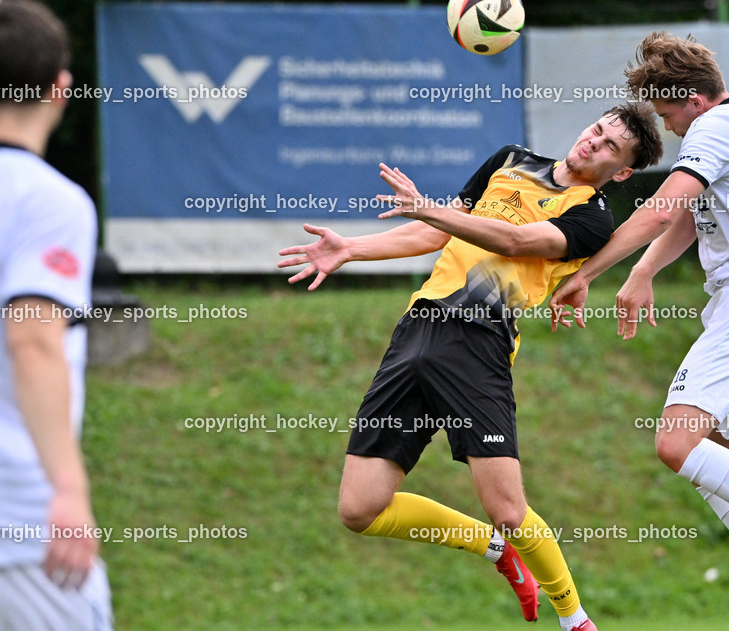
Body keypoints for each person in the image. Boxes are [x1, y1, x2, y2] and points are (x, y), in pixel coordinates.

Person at [279, 104, 663, 631]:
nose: (594, 142)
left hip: (479, 341)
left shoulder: (592, 218)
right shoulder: (510, 159)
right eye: (597, 130)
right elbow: (439, 236)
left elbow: (513, 241)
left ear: (622, 172)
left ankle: (575, 619)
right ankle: (493, 549)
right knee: (359, 509)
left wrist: (427, 208)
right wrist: (352, 249)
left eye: (611, 147)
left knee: (508, 508)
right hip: (417, 330)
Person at [549, 31, 729, 631]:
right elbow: (690, 214)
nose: (673, 129)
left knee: (676, 445)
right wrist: (645, 270)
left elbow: (660, 208)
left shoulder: (715, 129)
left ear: (696, 100)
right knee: (709, 457)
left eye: (669, 114)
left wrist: (586, 273)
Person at [0, 0, 112, 630]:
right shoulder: (49, 200)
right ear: (61, 89)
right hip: (11, 513)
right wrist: (67, 488)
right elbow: (32, 342)